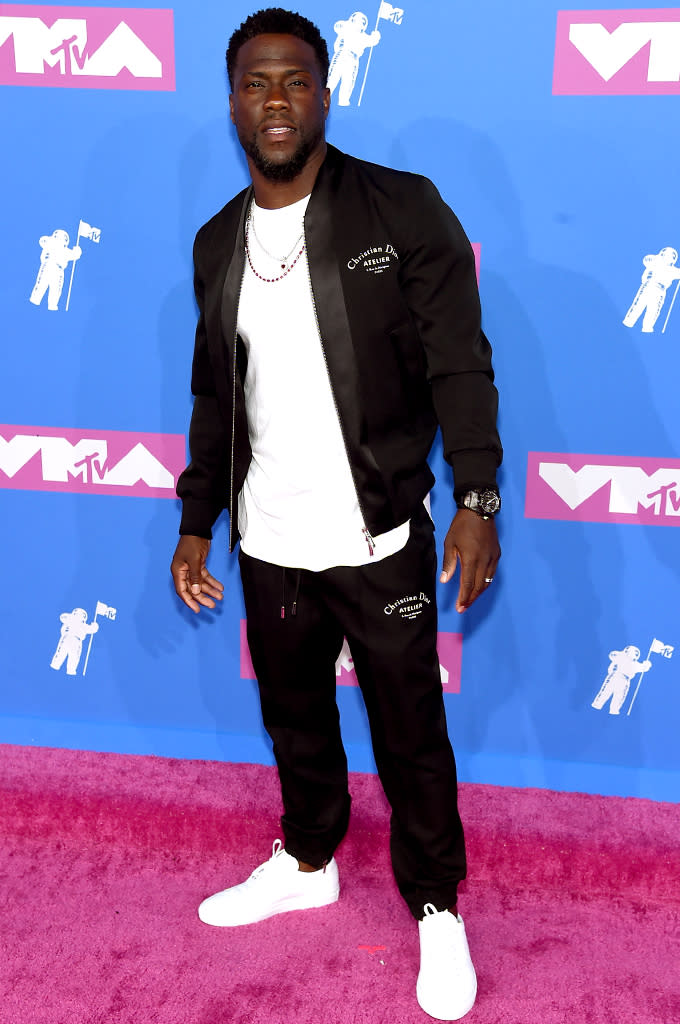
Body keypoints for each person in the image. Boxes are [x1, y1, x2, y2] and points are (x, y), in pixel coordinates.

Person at [171, 9, 502, 1020]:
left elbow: (458, 363)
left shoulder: (401, 211)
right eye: (254, 84)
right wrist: (197, 517)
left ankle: (435, 903)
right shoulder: (218, 240)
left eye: (293, 81)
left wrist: (478, 497)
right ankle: (308, 855)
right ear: (232, 102)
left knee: (409, 731)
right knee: (296, 717)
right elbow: (217, 395)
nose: (274, 101)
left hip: (376, 535)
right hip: (267, 536)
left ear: (326, 90)